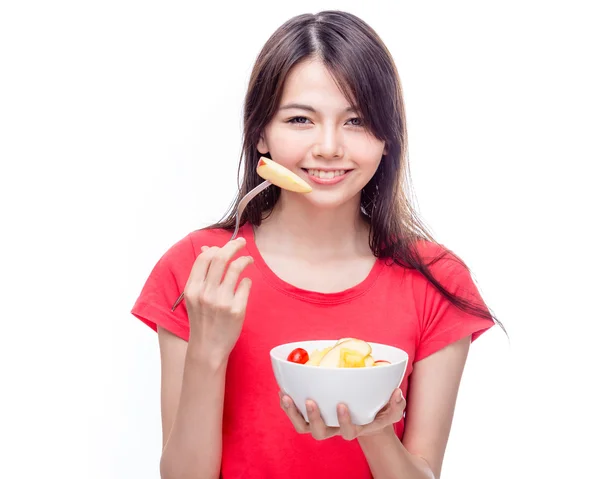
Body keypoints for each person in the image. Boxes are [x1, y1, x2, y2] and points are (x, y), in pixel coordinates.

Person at [131, 10, 501, 479]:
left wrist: (371, 426)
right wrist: (209, 348)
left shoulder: (437, 280)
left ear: (388, 139)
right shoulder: (199, 268)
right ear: (261, 133)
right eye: (301, 119)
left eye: (356, 121)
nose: (328, 147)